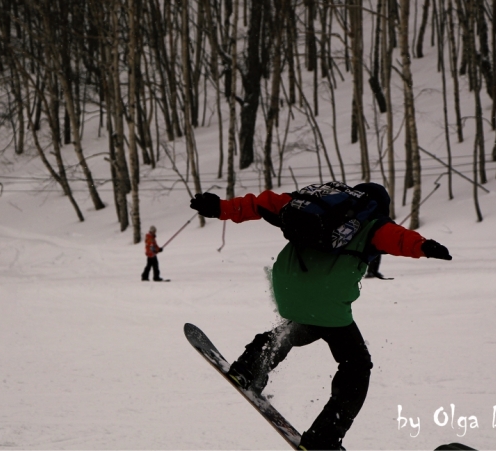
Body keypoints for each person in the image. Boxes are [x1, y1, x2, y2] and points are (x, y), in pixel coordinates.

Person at [190, 183, 452, 450]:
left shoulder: (317, 207)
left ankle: (250, 367)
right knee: (356, 365)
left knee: (303, 327)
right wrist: (426, 246)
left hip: (286, 285)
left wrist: (220, 208)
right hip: (327, 299)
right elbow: (399, 239)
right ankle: (324, 437)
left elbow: (264, 203)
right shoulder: (373, 223)